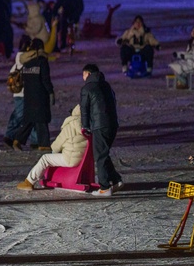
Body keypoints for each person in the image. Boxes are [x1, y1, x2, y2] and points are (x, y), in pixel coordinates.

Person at [17, 103, 88, 189]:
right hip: (82, 158)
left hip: (70, 159)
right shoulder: (87, 126)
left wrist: (54, 149)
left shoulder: (71, 125)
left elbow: (57, 146)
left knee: (45, 158)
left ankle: (29, 182)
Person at [80, 63, 122, 196]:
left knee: (100, 155)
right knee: (103, 153)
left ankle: (104, 187)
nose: (83, 77)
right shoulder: (106, 85)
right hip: (112, 124)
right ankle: (115, 180)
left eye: (83, 75)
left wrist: (85, 126)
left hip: (100, 125)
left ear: (87, 74)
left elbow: (84, 110)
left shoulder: (87, 88)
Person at [14, 38, 54, 150]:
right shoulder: (42, 61)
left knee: (29, 120)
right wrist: (51, 92)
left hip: (28, 95)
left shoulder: (26, 62)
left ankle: (17, 140)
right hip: (40, 96)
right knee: (41, 120)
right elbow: (45, 79)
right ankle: (44, 145)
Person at [3, 35, 33, 150]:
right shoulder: (22, 59)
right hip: (22, 94)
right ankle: (10, 137)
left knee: (18, 116)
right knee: (20, 117)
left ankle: (10, 137)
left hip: (18, 94)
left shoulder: (18, 60)